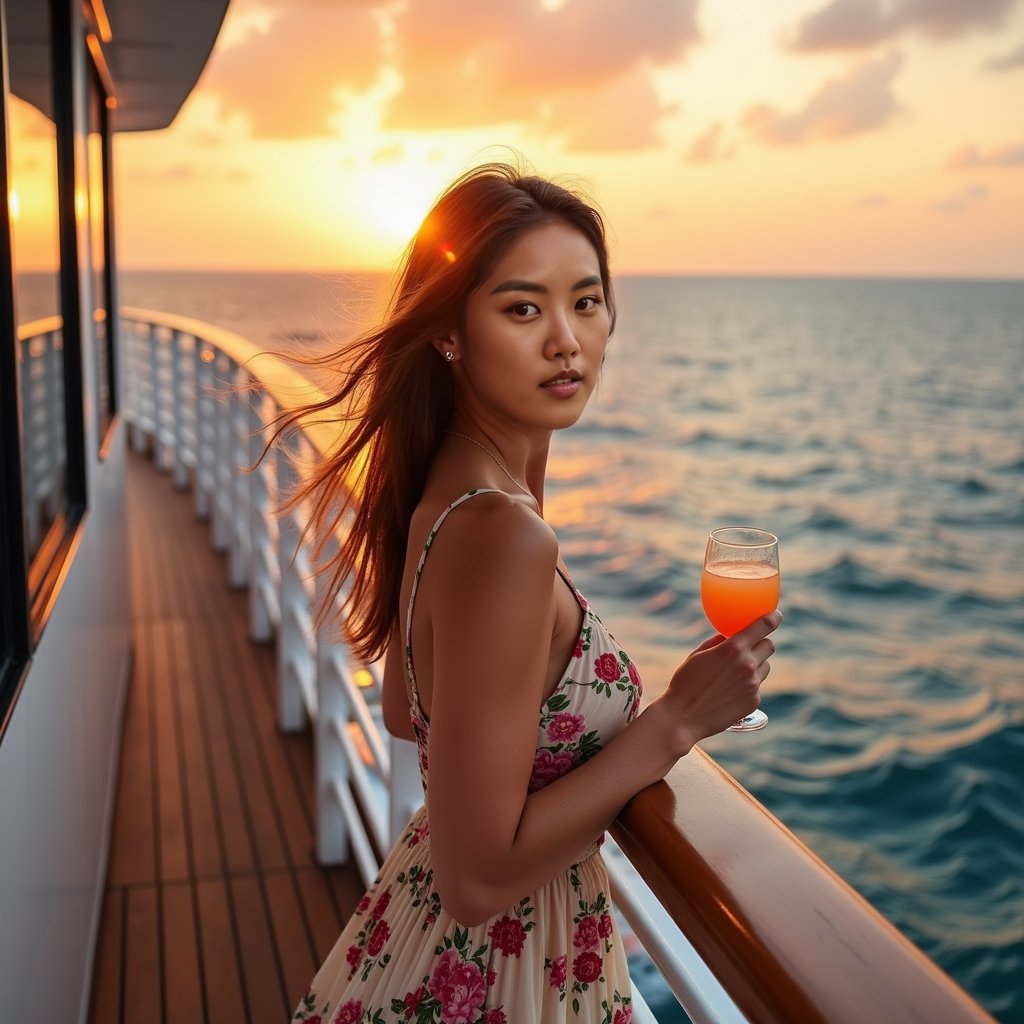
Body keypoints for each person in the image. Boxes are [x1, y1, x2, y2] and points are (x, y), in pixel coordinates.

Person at [286, 161, 781, 1024]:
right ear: (450, 332)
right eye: (524, 309)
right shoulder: (503, 535)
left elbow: (411, 710)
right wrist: (676, 720)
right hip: (504, 971)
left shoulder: (450, 494)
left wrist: (531, 450)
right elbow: (476, 882)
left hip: (416, 941)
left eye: (585, 302)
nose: (568, 340)